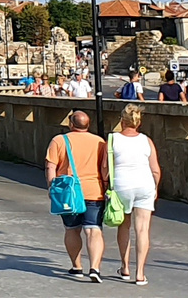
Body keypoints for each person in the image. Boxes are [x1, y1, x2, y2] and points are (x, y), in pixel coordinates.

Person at [45, 110, 111, 282]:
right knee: (93, 229)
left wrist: (52, 188)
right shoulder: (99, 142)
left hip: (68, 193)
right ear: (88, 125)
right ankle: (95, 268)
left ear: (71, 124)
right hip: (94, 191)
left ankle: (77, 266)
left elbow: (50, 166)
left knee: (72, 229)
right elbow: (104, 168)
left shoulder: (59, 140)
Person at [109, 104, 162, 286]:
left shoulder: (113, 139)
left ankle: (125, 267)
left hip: (122, 185)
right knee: (142, 229)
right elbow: (155, 169)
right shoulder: (146, 141)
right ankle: (140, 273)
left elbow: (104, 168)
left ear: (121, 120)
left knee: (124, 226)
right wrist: (155, 188)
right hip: (144, 184)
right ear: (138, 122)